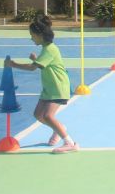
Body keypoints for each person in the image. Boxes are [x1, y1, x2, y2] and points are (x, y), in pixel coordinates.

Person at [5, 15, 78, 153]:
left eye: (32, 35)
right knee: (38, 114)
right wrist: (36, 59)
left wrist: (13, 64)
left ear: (40, 35)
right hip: (49, 87)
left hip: (58, 86)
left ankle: (70, 143)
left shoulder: (50, 49)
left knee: (48, 116)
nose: (31, 38)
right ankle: (59, 128)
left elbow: (33, 68)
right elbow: (44, 64)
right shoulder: (46, 48)